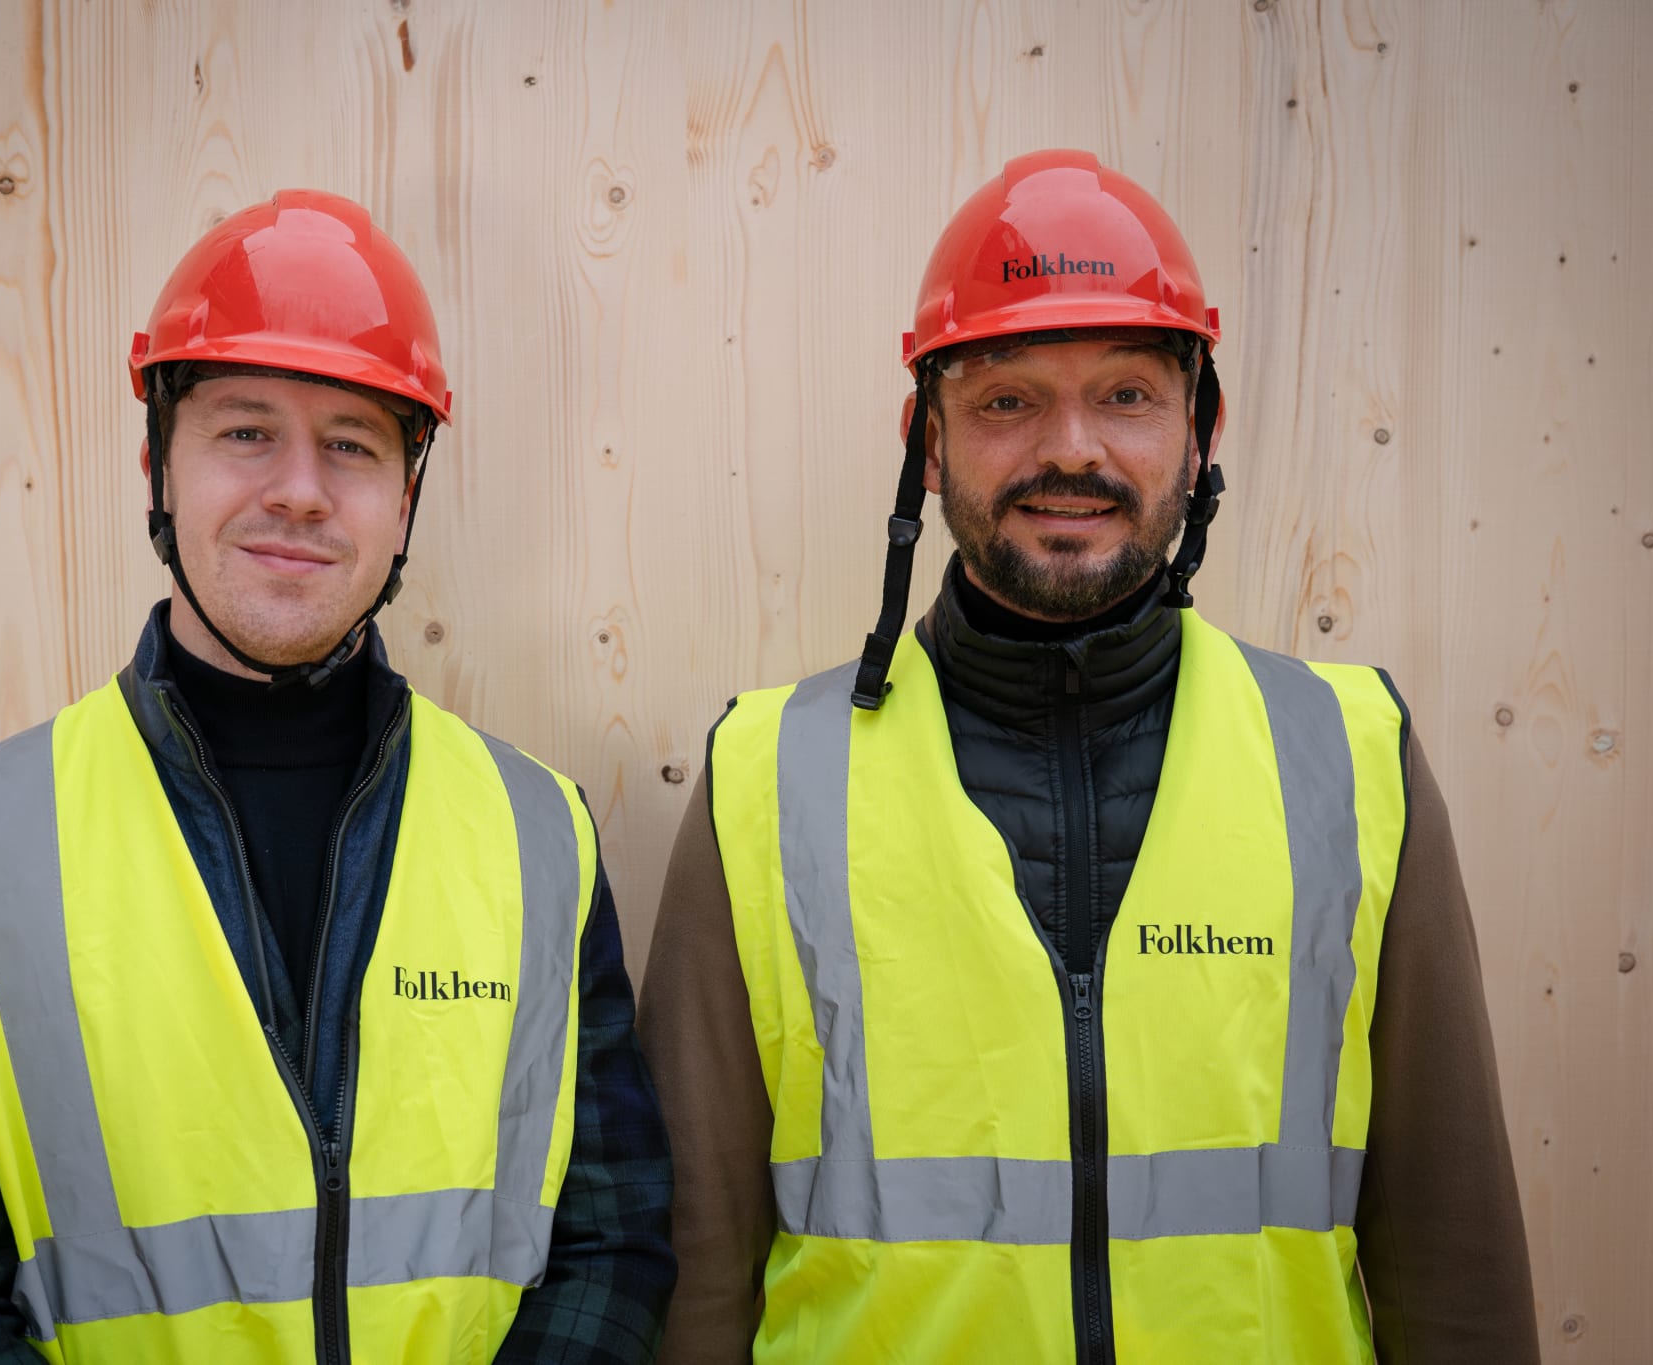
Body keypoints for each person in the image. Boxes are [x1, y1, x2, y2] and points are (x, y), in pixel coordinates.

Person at [638, 150, 1536, 1364]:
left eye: (1125, 394)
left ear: (1196, 425)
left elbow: (1452, 1260)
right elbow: (693, 1278)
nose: (1072, 450)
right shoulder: (763, 779)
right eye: (1006, 399)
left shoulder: (1352, 759)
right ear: (928, 439)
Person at [0, 190, 675, 1364]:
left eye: (353, 445)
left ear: (405, 495)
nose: (301, 490)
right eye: (244, 431)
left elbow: (612, 1245)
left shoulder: (539, 832)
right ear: (157, 461)